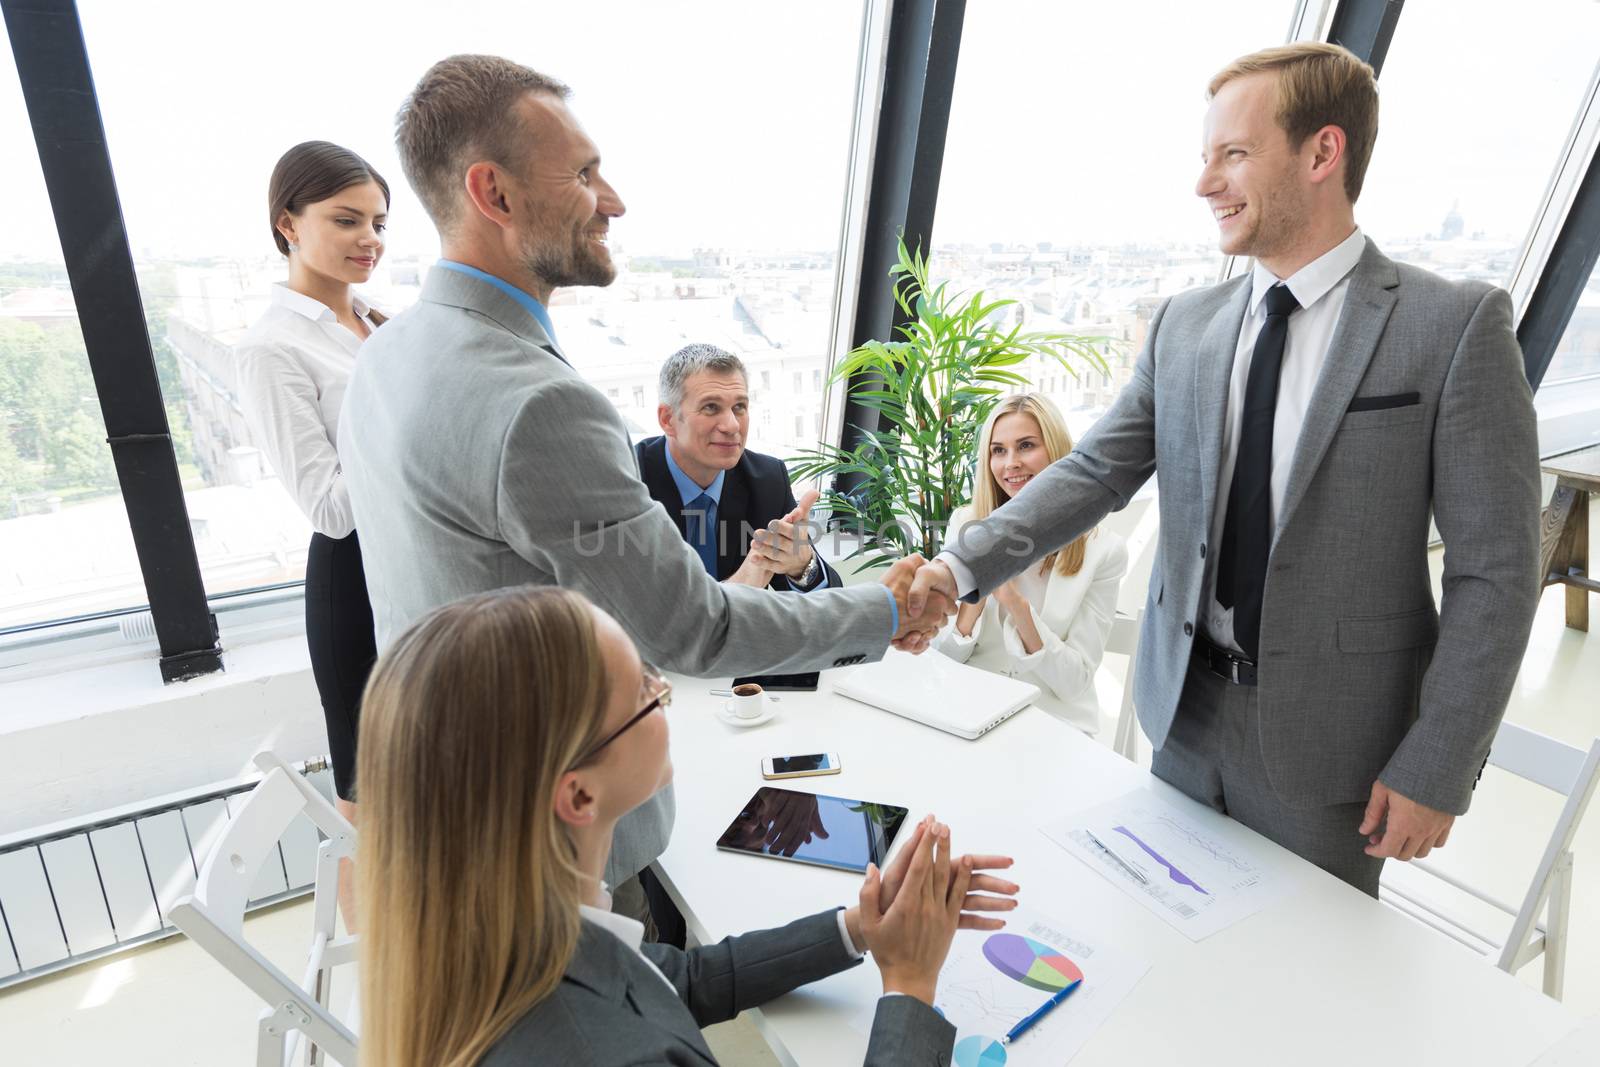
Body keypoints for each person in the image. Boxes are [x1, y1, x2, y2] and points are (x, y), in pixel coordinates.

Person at [907, 42, 1540, 896]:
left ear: (1323, 153)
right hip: (1182, 715)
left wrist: (1439, 759)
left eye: (1233, 155)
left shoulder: (1453, 326)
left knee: (1299, 985)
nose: (1206, 183)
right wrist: (957, 567)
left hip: (1334, 741)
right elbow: (1093, 473)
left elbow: (1494, 571)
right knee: (1168, 942)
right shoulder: (1184, 325)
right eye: (1206, 158)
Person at [338, 56, 954, 915]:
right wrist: (888, 611)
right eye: (584, 173)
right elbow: (694, 627)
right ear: (495, 193)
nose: (613, 200)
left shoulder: (387, 353)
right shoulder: (540, 403)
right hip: (553, 842)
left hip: (454, 800)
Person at [355, 585, 1019, 1067]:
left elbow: (676, 977)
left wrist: (859, 930)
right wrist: (909, 987)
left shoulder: (497, 937)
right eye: (645, 692)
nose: (660, 690)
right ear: (579, 794)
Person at [235, 140, 389, 926]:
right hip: (356, 581)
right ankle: (381, 999)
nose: (369, 238)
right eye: (347, 219)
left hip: (414, 566)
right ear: (287, 223)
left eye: (378, 222)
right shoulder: (272, 346)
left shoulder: (376, 322)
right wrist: (407, 427)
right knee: (372, 797)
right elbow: (330, 506)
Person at [933, 394, 1127, 735]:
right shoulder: (967, 524)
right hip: (969, 716)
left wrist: (1016, 606)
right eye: (998, 450)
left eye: (1026, 446)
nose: (1011, 463)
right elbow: (942, 659)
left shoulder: (1104, 550)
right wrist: (975, 597)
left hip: (1055, 726)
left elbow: (1074, 683)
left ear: (1056, 450)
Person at [635, 343, 841, 590]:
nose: (732, 425)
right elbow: (623, 613)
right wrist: (739, 587)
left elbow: (827, 609)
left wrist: (802, 566)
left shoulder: (766, 481)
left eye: (739, 407)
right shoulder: (628, 482)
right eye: (711, 407)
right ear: (667, 419)